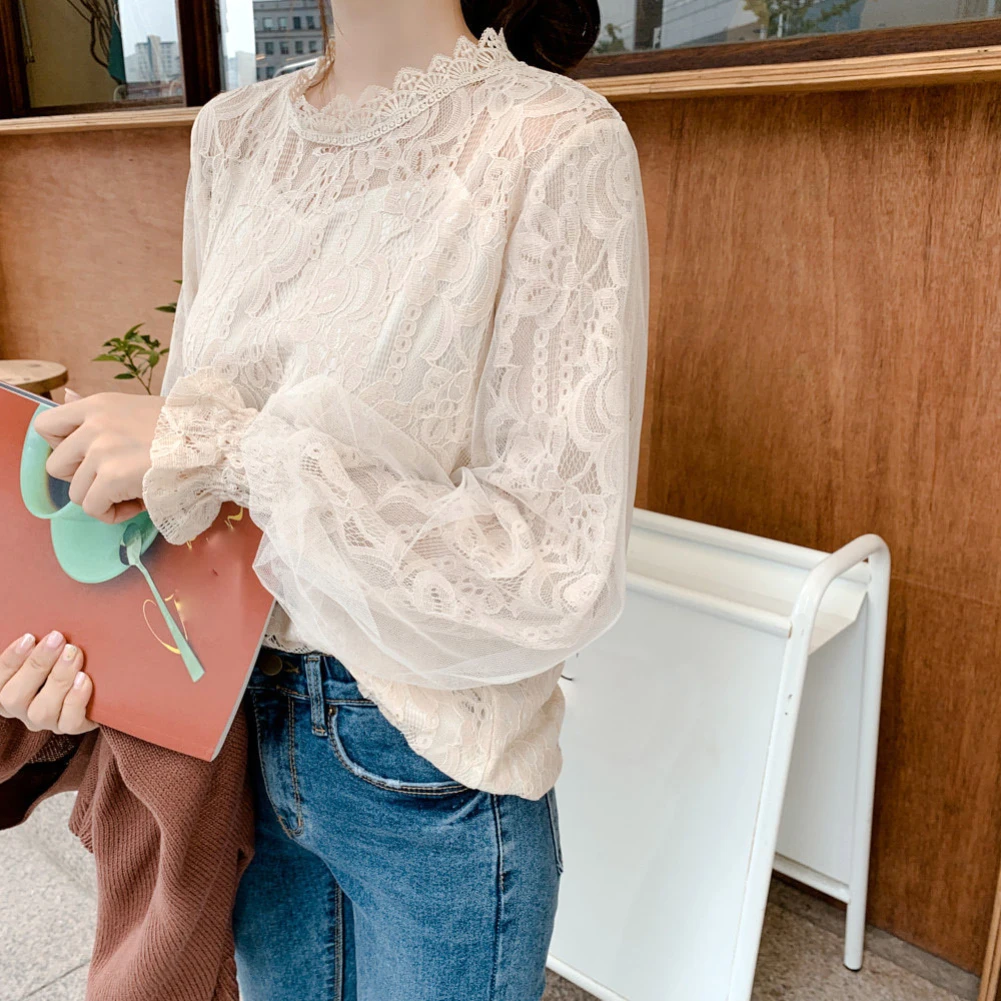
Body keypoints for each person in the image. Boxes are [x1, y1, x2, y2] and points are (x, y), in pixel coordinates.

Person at [0, 0, 649, 997]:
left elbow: (552, 565)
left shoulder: (553, 140)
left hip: (423, 754)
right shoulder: (233, 134)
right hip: (227, 730)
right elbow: (193, 493)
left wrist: (222, 447)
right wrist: (79, 635)